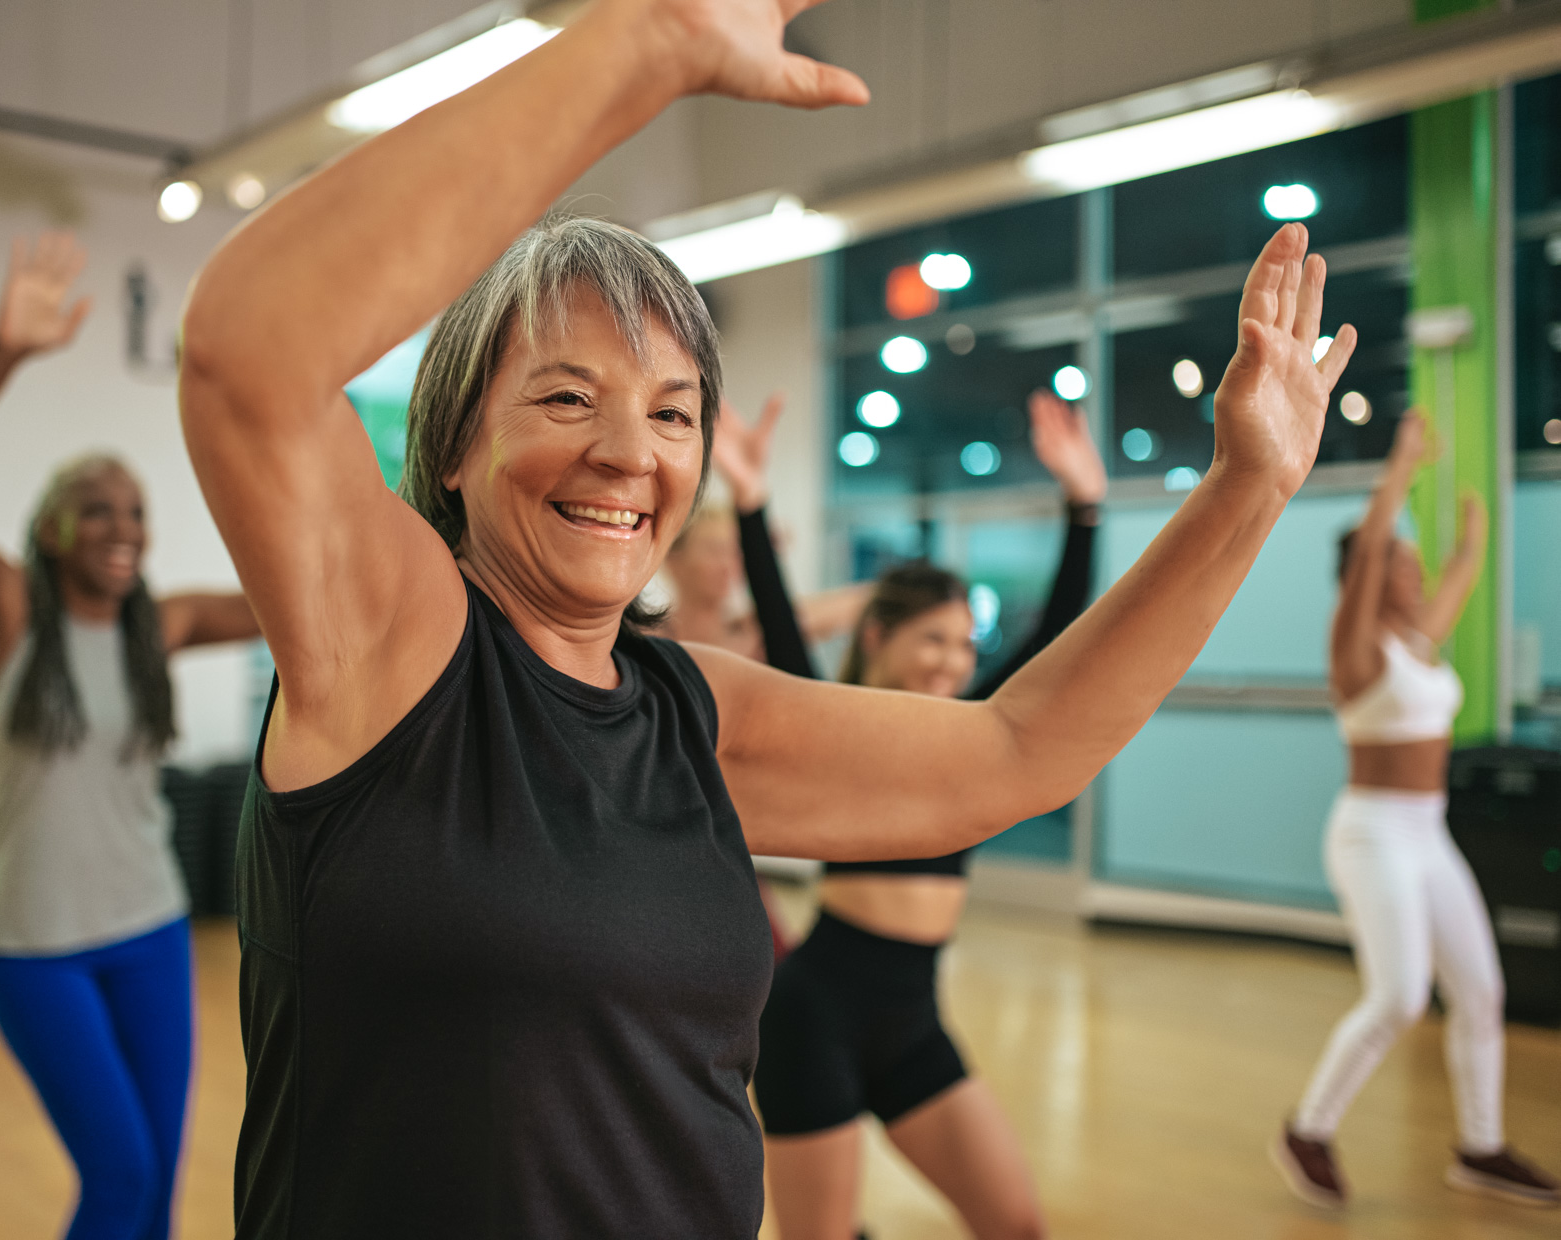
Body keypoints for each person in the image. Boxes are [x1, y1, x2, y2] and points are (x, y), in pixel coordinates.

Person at [177, 0, 1356, 1233]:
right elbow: (246, 352)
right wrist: (649, 41)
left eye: (674, 413)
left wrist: (1247, 490)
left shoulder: (693, 712)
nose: (630, 454)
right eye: (568, 396)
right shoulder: (396, 651)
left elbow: (1022, 749)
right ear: (459, 445)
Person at [0, 233, 259, 1240]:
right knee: (121, 1172)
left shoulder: (160, 626)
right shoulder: (7, 610)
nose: (122, 525)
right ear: (52, 527)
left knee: (160, 1189)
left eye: (134, 510)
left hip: (150, 927)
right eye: (96, 508)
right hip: (33, 943)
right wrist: (5, 351)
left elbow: (291, 595)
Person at [719, 389, 1103, 1240]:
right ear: (881, 636)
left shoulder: (970, 739)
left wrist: (1085, 506)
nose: (952, 662)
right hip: (814, 1014)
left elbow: (1055, 645)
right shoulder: (837, 729)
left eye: (965, 645)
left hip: (914, 1018)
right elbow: (783, 636)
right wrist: (751, 503)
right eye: (933, 639)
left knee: (1017, 1223)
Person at [1273, 411, 1559, 1210]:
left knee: (1481, 992)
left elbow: (1463, 575)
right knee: (1399, 996)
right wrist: (1398, 470)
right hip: (1371, 836)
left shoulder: (1416, 647)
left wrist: (1477, 528)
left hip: (1427, 835)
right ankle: (1308, 1128)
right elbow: (1367, 548)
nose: (1414, 569)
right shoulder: (1354, 648)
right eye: (1403, 561)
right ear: (1369, 578)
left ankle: (1481, 1145)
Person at [655, 399, 866, 660]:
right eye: (714, 550)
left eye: (736, 553)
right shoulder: (647, 637)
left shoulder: (758, 629)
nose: (728, 565)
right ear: (672, 558)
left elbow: (872, 599)